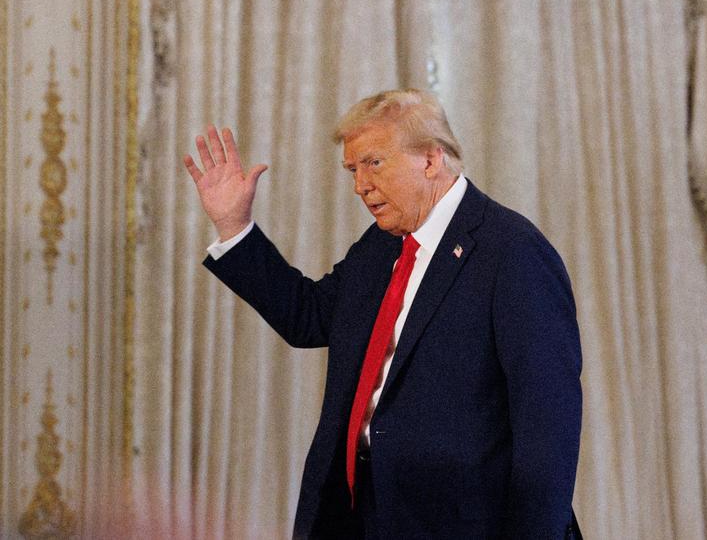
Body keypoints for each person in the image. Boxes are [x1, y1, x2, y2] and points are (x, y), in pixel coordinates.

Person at [183, 89, 583, 538]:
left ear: (431, 160)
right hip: (361, 515)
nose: (360, 185)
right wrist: (234, 227)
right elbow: (309, 316)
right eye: (353, 170)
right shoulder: (383, 244)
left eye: (374, 163)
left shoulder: (512, 253)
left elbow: (549, 435)